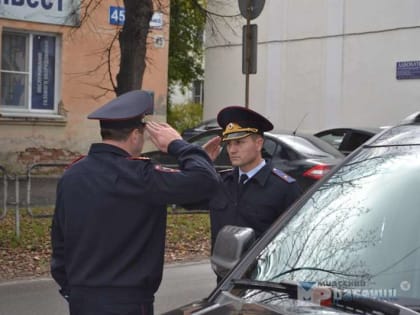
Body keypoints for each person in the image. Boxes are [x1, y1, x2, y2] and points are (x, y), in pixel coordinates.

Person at [50, 90, 219, 315]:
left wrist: (73, 290)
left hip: (81, 300)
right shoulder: (141, 175)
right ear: (135, 136)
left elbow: (59, 243)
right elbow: (206, 182)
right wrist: (179, 145)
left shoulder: (72, 175)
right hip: (126, 302)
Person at [201, 106, 302, 252]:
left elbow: (295, 241)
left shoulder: (283, 188)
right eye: (229, 143)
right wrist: (200, 162)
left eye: (239, 142)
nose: (232, 150)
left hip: (262, 274)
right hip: (225, 273)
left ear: (258, 143)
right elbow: (182, 196)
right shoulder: (221, 182)